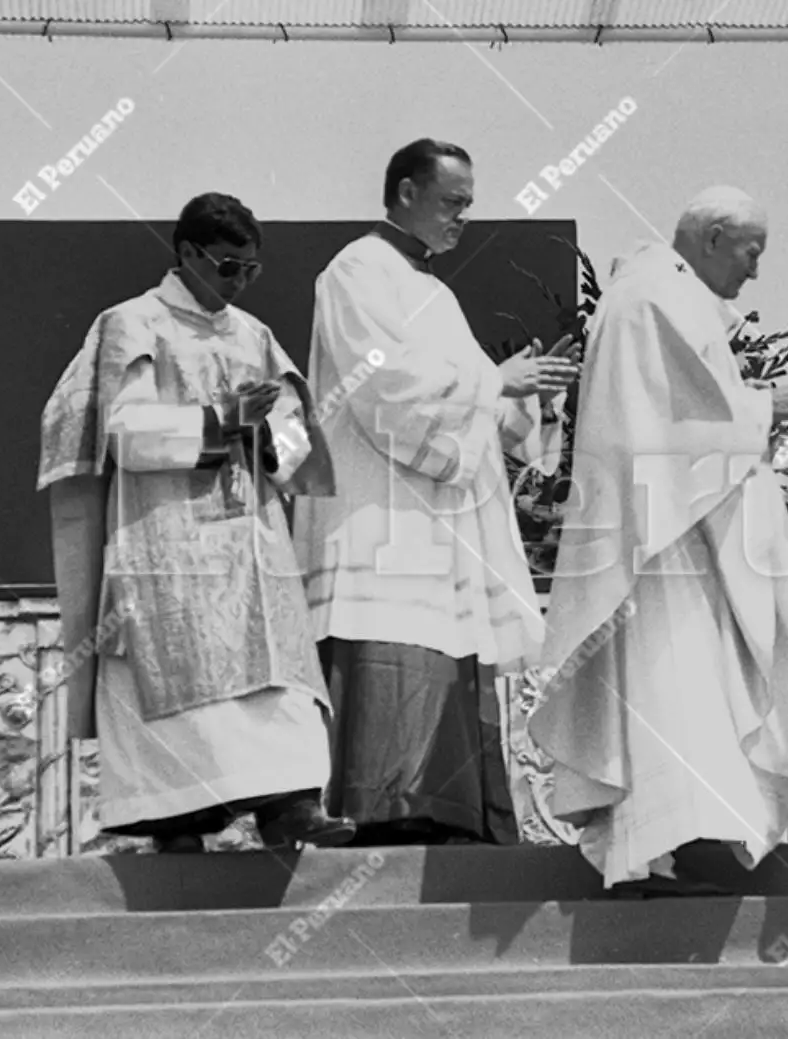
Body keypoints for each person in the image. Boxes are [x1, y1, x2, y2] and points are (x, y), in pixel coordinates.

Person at [529, 186, 788, 894]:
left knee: (696, 688)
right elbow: (669, 427)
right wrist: (766, 406)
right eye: (749, 252)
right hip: (665, 543)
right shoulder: (654, 297)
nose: (754, 270)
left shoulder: (659, 294)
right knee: (679, 685)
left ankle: (687, 842)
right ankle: (674, 843)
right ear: (711, 238)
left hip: (682, 524)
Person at [37, 192, 355, 852]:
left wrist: (268, 432)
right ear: (187, 253)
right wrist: (221, 421)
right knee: (180, 674)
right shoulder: (133, 324)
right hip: (166, 539)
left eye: (250, 270)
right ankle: (175, 818)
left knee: (276, 672)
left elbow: (296, 449)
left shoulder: (253, 336)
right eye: (228, 266)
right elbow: (126, 434)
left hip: (252, 542)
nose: (239, 282)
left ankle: (290, 807)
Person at [294, 139, 579, 846]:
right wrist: (495, 382)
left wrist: (533, 397)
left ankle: (448, 818)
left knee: (443, 652)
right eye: (452, 202)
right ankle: (385, 820)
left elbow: (483, 403)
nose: (463, 218)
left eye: (469, 205)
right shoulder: (357, 270)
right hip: (378, 512)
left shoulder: (436, 294)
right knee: (392, 648)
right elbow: (382, 384)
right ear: (405, 192)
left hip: (434, 520)